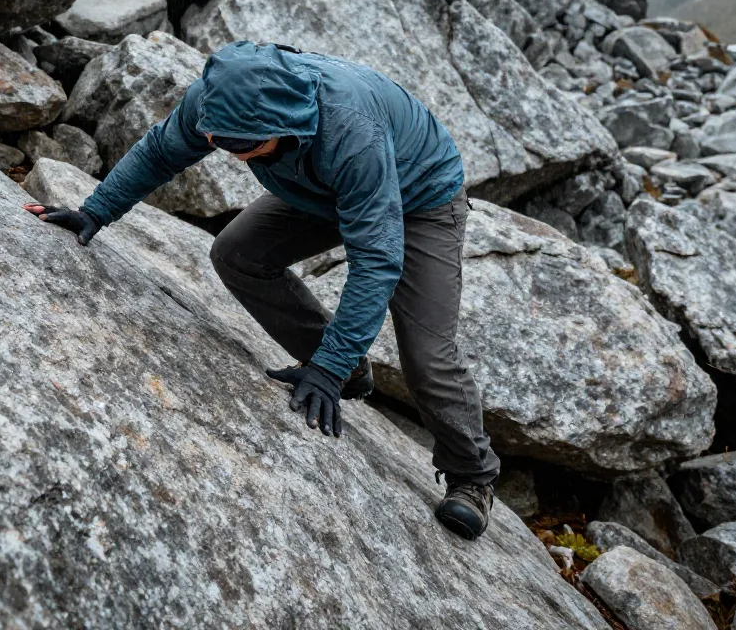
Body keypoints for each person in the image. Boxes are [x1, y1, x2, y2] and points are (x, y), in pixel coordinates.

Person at [25, 41, 501, 540]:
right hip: (323, 185)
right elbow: (161, 151)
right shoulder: (218, 103)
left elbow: (377, 260)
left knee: (427, 354)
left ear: (281, 128)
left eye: (235, 147)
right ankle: (342, 366)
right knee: (236, 253)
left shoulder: (349, 134)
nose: (217, 146)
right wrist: (94, 211)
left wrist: (327, 370)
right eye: (215, 138)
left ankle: (472, 476)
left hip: (420, 196)